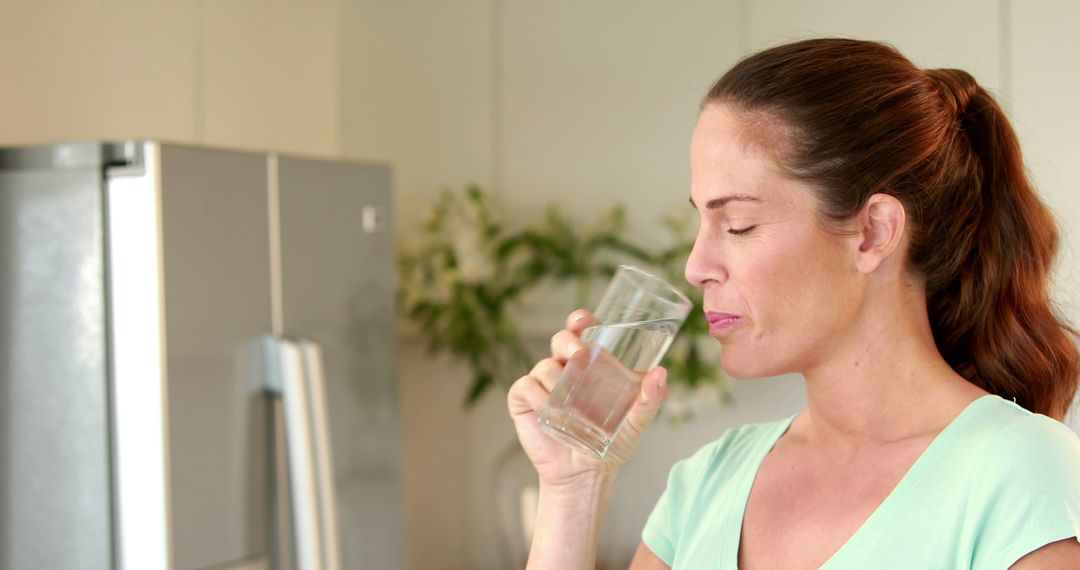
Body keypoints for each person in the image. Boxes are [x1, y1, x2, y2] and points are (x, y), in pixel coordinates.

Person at [507, 38, 1080, 569]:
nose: (695, 265)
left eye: (738, 224)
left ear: (873, 233)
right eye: (700, 221)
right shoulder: (709, 481)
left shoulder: (1016, 471)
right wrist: (573, 487)